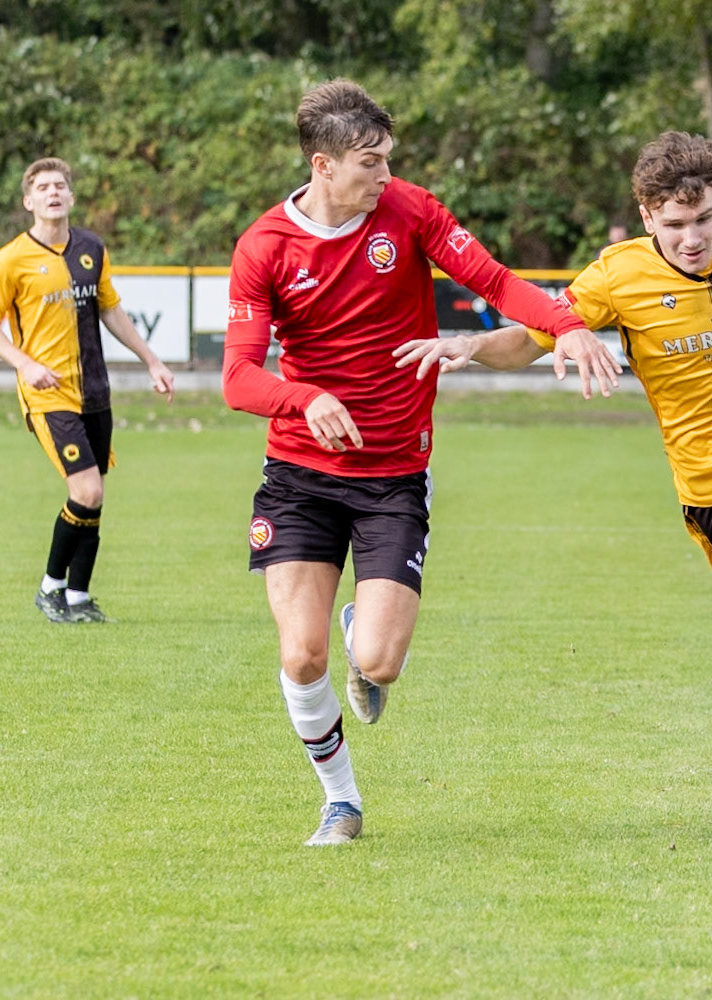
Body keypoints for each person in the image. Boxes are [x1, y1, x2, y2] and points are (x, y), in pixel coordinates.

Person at [394, 131, 712, 858]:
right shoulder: (617, 277)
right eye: (673, 225)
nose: (693, 238)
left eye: (703, 220)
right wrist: (471, 346)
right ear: (647, 218)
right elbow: (536, 335)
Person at [221, 80, 617, 848]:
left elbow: (496, 283)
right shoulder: (265, 246)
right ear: (323, 164)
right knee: (300, 656)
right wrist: (304, 398)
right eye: (370, 162)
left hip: (395, 472)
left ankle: (361, 630)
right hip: (300, 475)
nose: (384, 176)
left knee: (378, 660)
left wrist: (565, 326)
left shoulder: (410, 211)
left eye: (388, 159)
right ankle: (341, 801)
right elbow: (239, 377)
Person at [0, 156, 175, 625]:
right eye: (43, 187)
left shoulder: (91, 247)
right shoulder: (10, 260)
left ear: (71, 196)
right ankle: (51, 588)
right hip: (48, 397)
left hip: (95, 391)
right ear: (29, 201)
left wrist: (152, 360)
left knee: (96, 494)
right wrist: (25, 365)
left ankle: (80, 597)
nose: (53, 192)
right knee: (85, 489)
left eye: (60, 185)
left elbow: (111, 310)